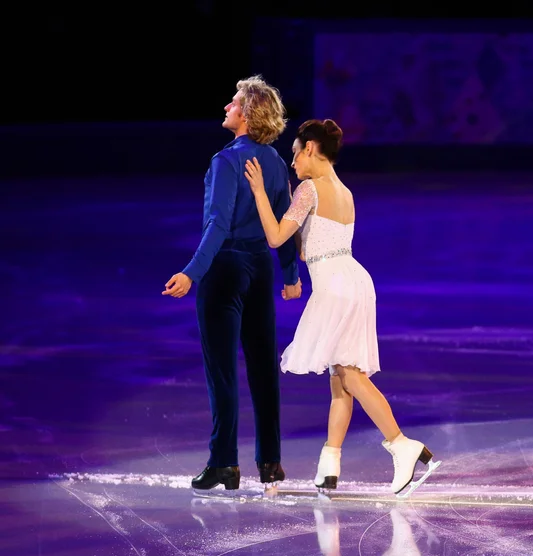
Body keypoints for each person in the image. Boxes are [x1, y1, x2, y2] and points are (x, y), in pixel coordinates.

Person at [244, 118, 441, 497]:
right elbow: (310, 248)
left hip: (335, 286)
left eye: (296, 153)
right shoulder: (345, 191)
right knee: (340, 380)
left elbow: (275, 238)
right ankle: (329, 463)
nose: (293, 162)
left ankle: (401, 444)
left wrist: (258, 193)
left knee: (350, 375)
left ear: (312, 149)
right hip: (355, 280)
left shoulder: (309, 189)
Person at [162, 75, 302, 491]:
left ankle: (224, 463)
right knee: (263, 369)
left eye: (234, 101)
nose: (227, 106)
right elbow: (285, 226)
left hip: (224, 269)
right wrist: (291, 275)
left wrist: (192, 271)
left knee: (222, 371)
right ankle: (270, 463)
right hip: (260, 269)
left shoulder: (226, 161)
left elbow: (217, 225)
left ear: (247, 113)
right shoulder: (276, 163)